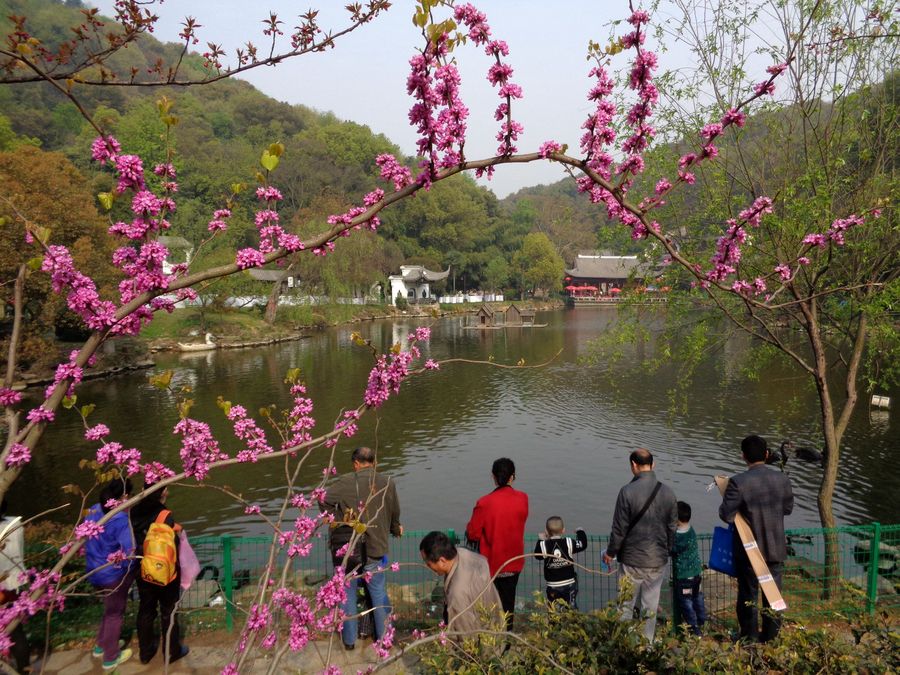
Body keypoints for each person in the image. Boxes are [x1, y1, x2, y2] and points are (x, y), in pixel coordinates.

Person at [322, 446, 402, 650]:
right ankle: (384, 640)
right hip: (376, 549)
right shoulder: (387, 482)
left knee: (347, 595)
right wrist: (394, 528)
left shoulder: (346, 481)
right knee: (377, 594)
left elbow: (324, 500)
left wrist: (338, 519)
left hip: (349, 550)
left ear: (356, 463)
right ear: (374, 462)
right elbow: (394, 512)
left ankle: (349, 642)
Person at [719, 434, 794, 643]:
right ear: (767, 454)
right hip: (776, 547)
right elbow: (787, 509)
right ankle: (771, 638)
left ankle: (749, 637)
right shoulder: (782, 479)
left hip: (750, 551)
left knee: (748, 595)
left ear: (743, 456)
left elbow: (726, 514)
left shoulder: (738, 483)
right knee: (773, 596)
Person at [602, 448, 677, 641]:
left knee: (625, 604)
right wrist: (666, 550)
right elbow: (672, 527)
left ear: (633, 465)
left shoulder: (626, 491)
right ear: (653, 464)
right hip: (657, 560)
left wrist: (611, 552)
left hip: (632, 561)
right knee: (650, 606)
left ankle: (624, 643)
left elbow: (619, 528)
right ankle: (647, 644)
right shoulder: (668, 492)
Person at [465, 457, 528, 631]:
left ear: (493, 476)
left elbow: (473, 533)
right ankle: (507, 640)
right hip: (514, 563)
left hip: (491, 566)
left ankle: (488, 639)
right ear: (512, 477)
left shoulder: (484, 503)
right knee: (508, 604)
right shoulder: (523, 499)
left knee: (488, 606)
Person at [130, 481, 189, 665]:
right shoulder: (165, 514)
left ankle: (145, 653)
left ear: (143, 490)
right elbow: (172, 545)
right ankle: (171, 652)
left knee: (146, 609)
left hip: (142, 567)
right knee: (168, 610)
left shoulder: (132, 511)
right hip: (164, 571)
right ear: (163, 492)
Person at [84, 478, 136, 671]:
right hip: (112, 575)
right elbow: (130, 550)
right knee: (115, 613)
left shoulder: (93, 509)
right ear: (123, 496)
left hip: (93, 569)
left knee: (108, 609)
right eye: (128, 495)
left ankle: (101, 645)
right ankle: (110, 657)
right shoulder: (120, 519)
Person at [419, 531, 503, 636]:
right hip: (496, 627)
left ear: (442, 561)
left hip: (483, 643)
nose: (428, 567)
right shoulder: (467, 555)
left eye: (428, 563)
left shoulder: (457, 594)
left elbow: (466, 636)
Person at [0, 499, 29, 673]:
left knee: (13, 631)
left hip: (4, 584)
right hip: (15, 583)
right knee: (16, 630)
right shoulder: (15, 523)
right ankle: (24, 667)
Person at [534, 516, 588, 609]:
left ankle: (554, 623)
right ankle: (572, 621)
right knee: (571, 607)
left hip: (553, 586)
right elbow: (583, 544)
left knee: (553, 609)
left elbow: (537, 555)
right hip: (570, 583)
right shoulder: (568, 542)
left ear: (546, 531)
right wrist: (580, 531)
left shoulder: (544, 545)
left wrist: (541, 539)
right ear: (563, 530)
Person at [672, 501, 707, 636]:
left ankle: (693, 628)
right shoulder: (691, 530)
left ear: (676, 519)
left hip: (684, 576)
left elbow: (672, 549)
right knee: (697, 598)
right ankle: (703, 621)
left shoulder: (679, 537)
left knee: (686, 603)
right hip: (696, 573)